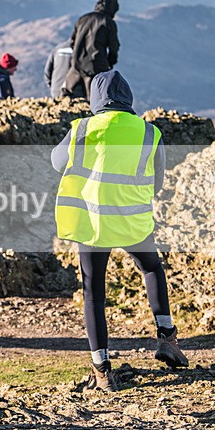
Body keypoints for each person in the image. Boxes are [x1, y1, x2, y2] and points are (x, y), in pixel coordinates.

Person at [52, 70, 189, 392]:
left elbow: (58, 163)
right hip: (132, 221)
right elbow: (157, 183)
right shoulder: (148, 132)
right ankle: (167, 339)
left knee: (94, 294)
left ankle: (102, 368)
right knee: (152, 267)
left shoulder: (83, 128)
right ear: (128, 98)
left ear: (95, 100)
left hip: (92, 223)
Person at [63, 0, 120, 100]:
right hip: (96, 67)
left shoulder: (83, 19)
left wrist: (77, 56)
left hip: (76, 66)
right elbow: (114, 47)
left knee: (68, 98)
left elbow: (72, 42)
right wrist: (110, 62)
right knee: (95, 102)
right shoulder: (108, 22)